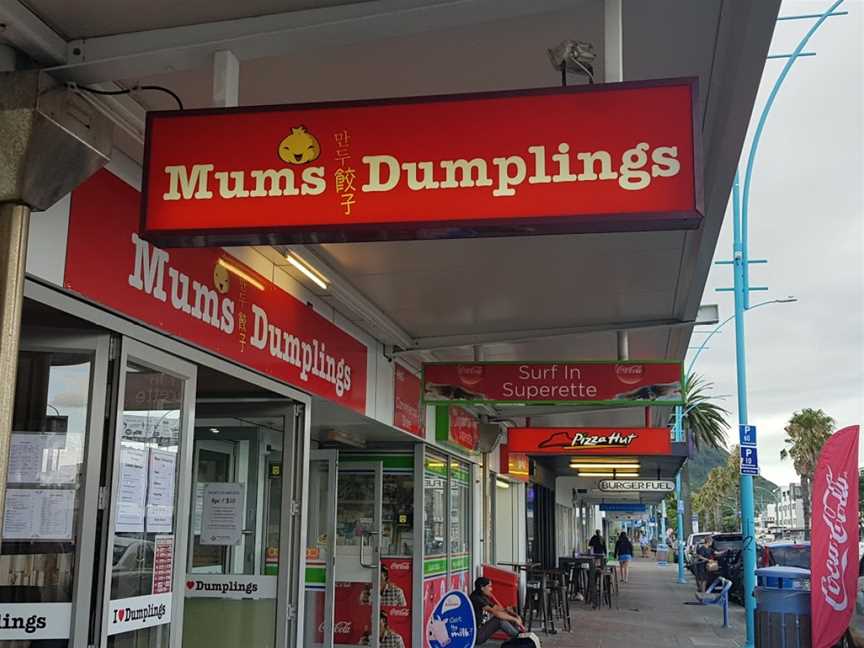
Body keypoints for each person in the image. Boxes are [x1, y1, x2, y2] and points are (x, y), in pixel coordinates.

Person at [469, 577, 522, 645]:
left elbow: (497, 608)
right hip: (475, 636)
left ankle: (518, 636)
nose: (491, 589)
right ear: (482, 588)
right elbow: (497, 614)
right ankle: (519, 637)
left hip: (480, 630)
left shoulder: (482, 596)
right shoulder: (476, 598)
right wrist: (515, 619)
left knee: (508, 615)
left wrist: (509, 611)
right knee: (499, 620)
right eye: (489, 586)